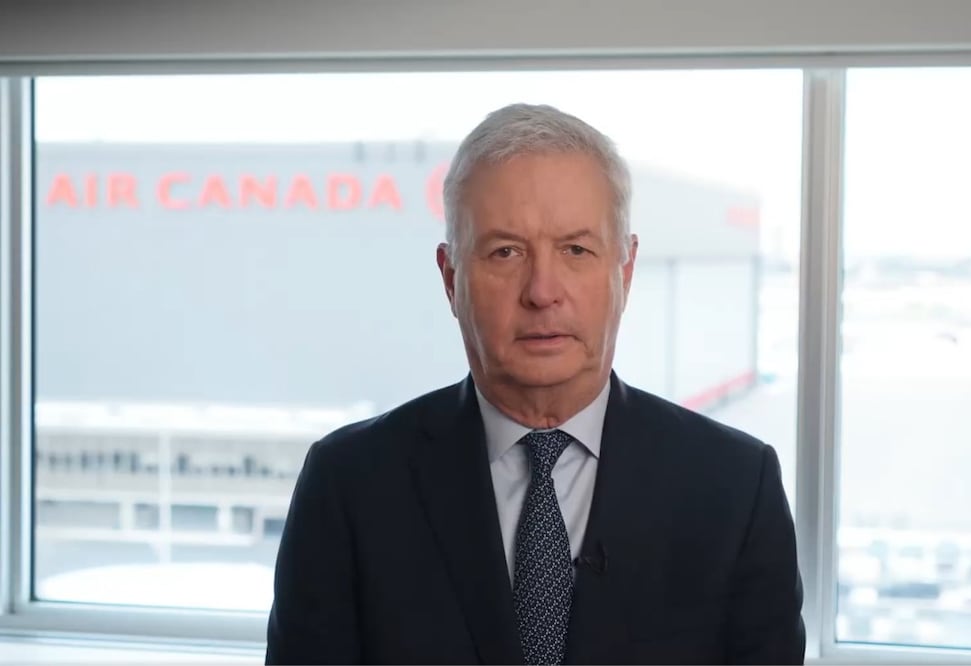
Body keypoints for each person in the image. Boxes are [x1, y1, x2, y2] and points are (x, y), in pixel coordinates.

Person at [265, 103, 804, 665]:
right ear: (451, 280)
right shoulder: (348, 485)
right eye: (506, 252)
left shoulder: (736, 490)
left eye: (576, 250)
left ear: (625, 270)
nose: (542, 291)